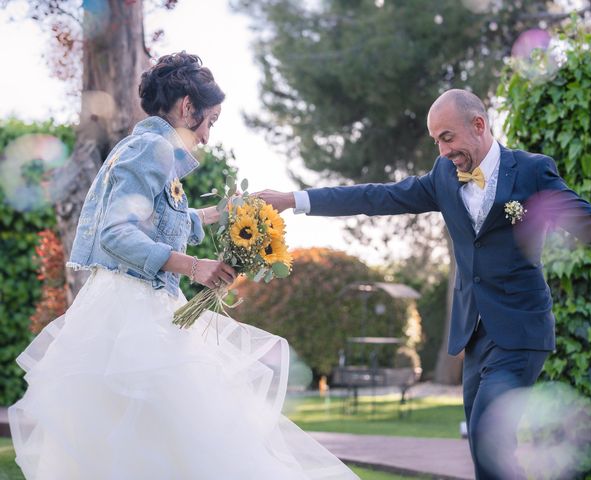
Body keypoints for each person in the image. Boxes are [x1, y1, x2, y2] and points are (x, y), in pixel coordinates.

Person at [9, 52, 357, 480]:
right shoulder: (152, 148)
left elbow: (164, 220)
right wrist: (194, 266)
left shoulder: (147, 148)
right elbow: (116, 233)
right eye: (210, 120)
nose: (209, 137)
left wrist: (222, 212)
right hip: (131, 314)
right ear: (186, 107)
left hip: (146, 306)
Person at [258, 89, 591, 479]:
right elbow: (376, 196)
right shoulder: (443, 176)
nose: (442, 151)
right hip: (473, 332)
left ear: (479, 125)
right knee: (483, 445)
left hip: (521, 329)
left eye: (447, 137)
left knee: (488, 430)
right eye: (436, 140)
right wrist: (295, 198)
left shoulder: (531, 171)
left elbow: (586, 217)